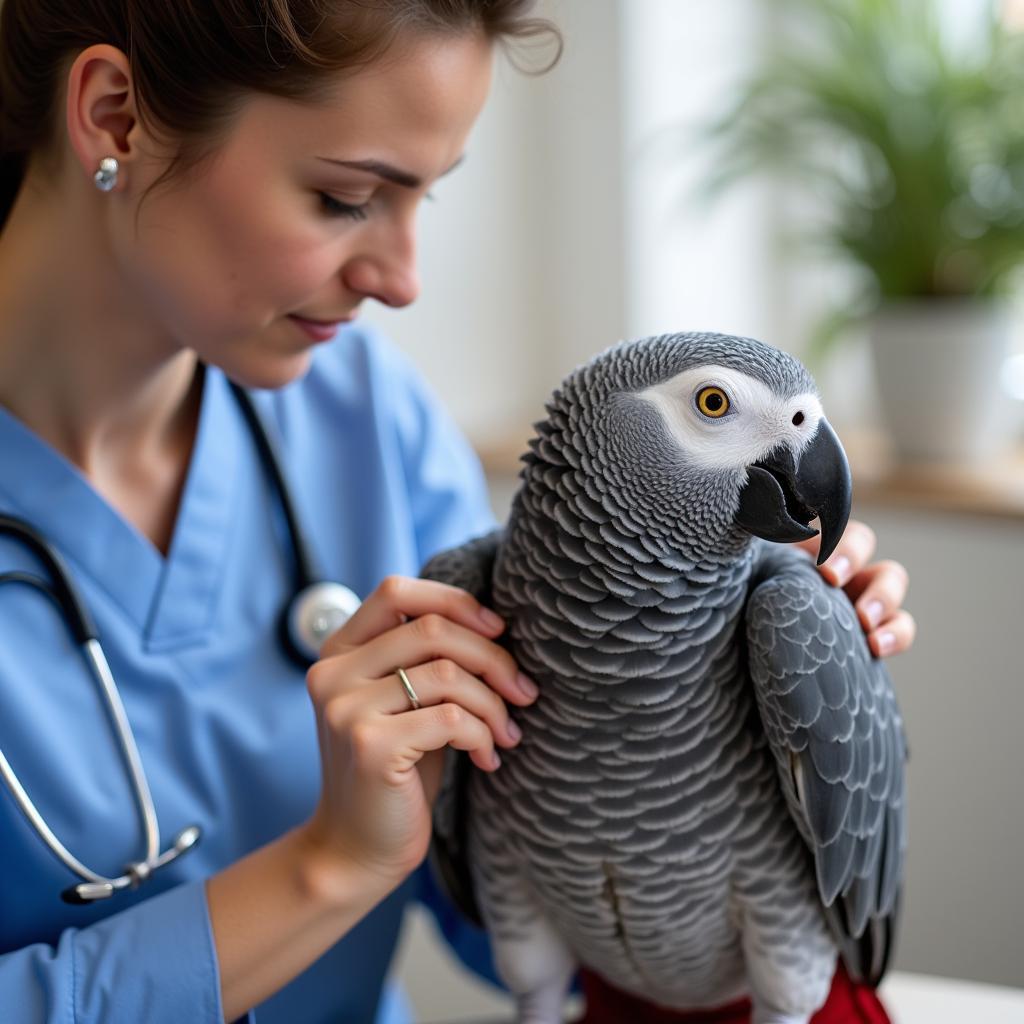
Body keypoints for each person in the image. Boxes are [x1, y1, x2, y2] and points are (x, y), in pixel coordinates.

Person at [0, 2, 916, 1022]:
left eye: (424, 199)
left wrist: (703, 688)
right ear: (117, 115)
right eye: (344, 196)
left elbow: (532, 927)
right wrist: (331, 864)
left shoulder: (363, 416)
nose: (401, 281)